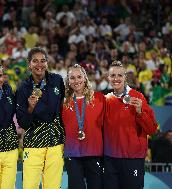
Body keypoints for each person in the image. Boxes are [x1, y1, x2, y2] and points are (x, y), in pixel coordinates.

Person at [16, 47, 65, 189]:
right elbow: (23, 123)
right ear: (29, 64)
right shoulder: (23, 89)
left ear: (47, 63)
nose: (39, 65)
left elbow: (62, 109)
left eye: (43, 61)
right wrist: (30, 108)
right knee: (30, 186)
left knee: (53, 186)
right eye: (35, 61)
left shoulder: (57, 80)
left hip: (55, 142)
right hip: (33, 143)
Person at [104, 60, 158, 189]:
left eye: (119, 75)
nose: (116, 78)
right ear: (108, 78)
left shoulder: (137, 97)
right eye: (112, 75)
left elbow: (152, 129)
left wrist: (140, 112)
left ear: (125, 77)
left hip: (132, 159)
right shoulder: (106, 99)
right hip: (110, 160)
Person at [62, 64, 105, 189]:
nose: (76, 81)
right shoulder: (64, 102)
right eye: (72, 78)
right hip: (72, 152)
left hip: (94, 151)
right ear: (68, 81)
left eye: (79, 77)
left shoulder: (99, 98)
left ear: (85, 78)